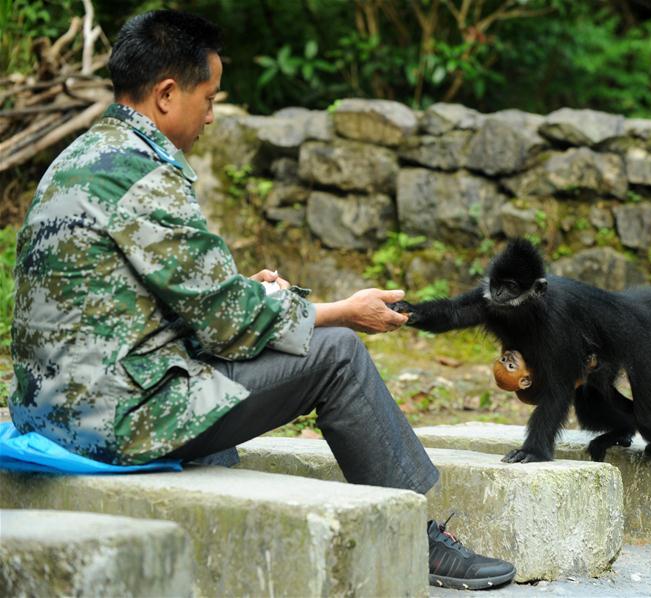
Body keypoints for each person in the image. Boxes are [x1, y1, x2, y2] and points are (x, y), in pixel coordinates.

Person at [9, 9, 514, 591]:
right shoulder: (145, 174)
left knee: (250, 362)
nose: (212, 117)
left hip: (50, 412)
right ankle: (417, 538)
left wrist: (250, 292)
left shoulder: (80, 158)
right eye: (210, 98)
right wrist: (341, 311)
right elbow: (225, 319)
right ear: (168, 94)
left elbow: (145, 302)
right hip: (114, 420)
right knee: (339, 355)